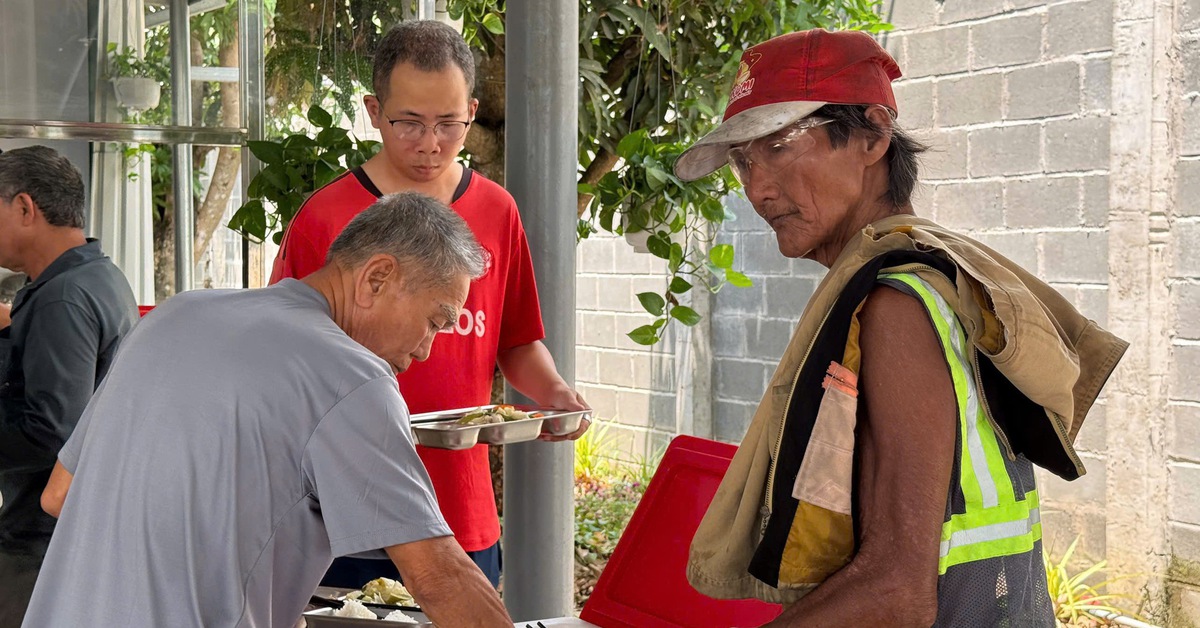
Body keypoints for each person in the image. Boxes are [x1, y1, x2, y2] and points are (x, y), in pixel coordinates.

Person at [672, 29, 1128, 626]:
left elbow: (896, 590)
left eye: (780, 146)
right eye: (742, 161)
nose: (756, 189)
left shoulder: (896, 305)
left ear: (873, 135)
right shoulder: (937, 281)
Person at [24, 192, 511, 628]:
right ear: (377, 277)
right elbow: (437, 577)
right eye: (434, 321)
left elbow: (60, 495)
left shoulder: (177, 313)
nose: (427, 349)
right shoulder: (352, 377)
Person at [269, 19, 588, 588]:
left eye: (450, 123)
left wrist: (555, 392)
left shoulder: (497, 211)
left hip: (459, 510)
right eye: (409, 123)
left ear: (473, 109)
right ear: (373, 110)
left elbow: (514, 337)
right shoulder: (325, 217)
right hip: (342, 510)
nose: (430, 143)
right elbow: (281, 355)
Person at [0, 145, 138, 626]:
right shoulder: (98, 276)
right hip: (75, 535)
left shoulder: (63, 299)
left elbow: (52, 431)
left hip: (43, 545)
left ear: (23, 208)